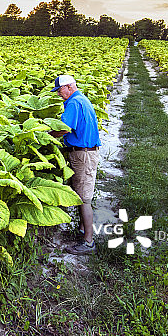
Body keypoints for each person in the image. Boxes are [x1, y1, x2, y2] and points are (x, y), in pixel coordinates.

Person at [49, 74, 101, 254]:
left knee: (83, 199)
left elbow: (64, 128)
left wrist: (46, 135)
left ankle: (88, 243)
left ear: (69, 87)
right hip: (87, 153)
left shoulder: (73, 102)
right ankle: (81, 231)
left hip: (82, 155)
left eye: (59, 90)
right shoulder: (81, 99)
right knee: (81, 194)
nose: (58, 94)